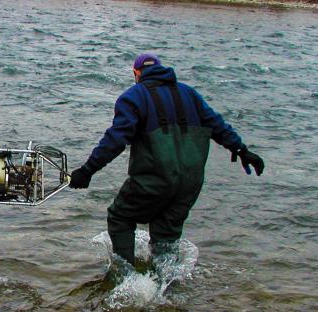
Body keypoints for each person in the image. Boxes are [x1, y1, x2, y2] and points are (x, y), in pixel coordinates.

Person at [69, 53, 264, 266]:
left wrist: (87, 171)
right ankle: (165, 288)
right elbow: (217, 125)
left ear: (136, 73)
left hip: (155, 178)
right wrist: (242, 150)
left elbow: (115, 140)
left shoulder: (134, 96)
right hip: (191, 181)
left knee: (120, 217)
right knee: (166, 234)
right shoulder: (189, 94)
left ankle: (125, 277)